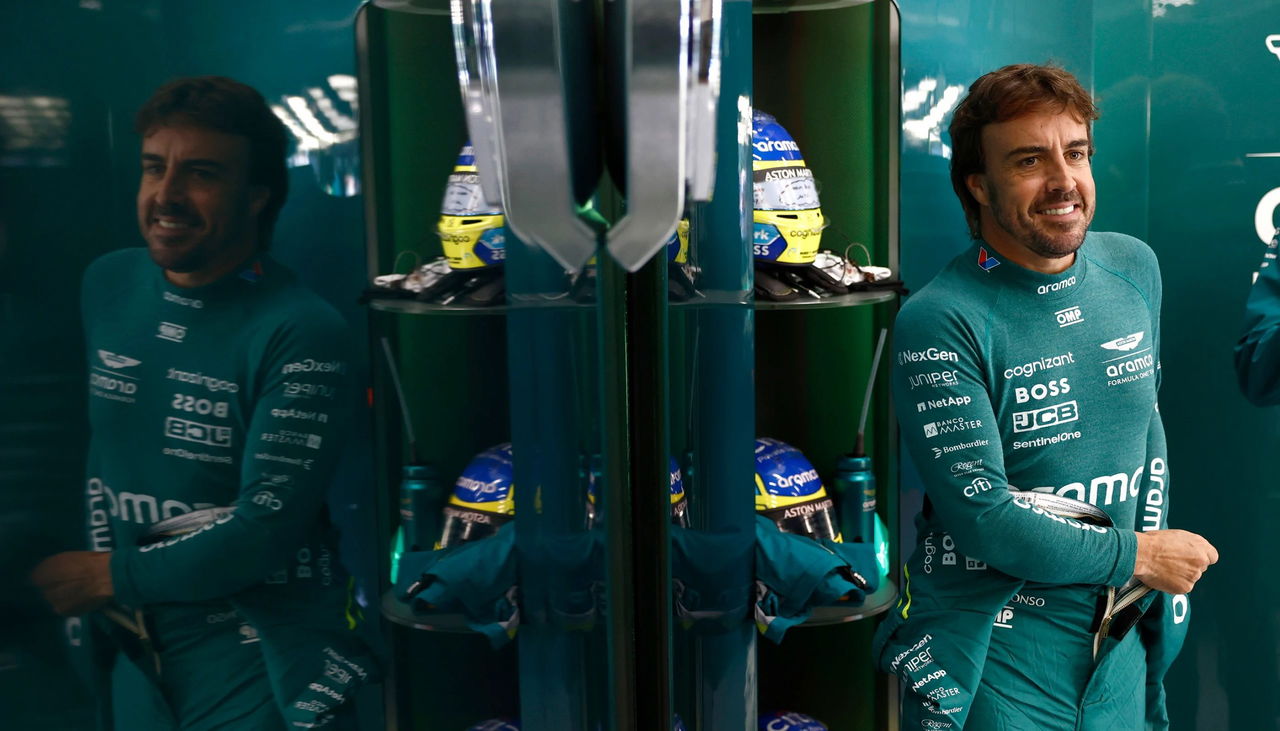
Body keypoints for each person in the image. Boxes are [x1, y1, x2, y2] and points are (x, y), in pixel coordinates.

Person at [872, 63, 1218, 730]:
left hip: (1117, 649)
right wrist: (1142, 553)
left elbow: (1148, 426)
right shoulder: (942, 319)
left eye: (1077, 153)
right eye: (1030, 159)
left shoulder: (1134, 267)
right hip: (1000, 665)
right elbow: (986, 520)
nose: (1064, 181)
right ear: (978, 184)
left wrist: (1144, 599)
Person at [30, 76, 376, 730]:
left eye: (201, 174)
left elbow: (262, 534)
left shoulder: (300, 328)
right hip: (135, 647)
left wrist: (109, 576)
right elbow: (104, 456)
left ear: (257, 197)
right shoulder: (108, 283)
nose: (166, 195)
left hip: (257, 657)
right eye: (154, 168)